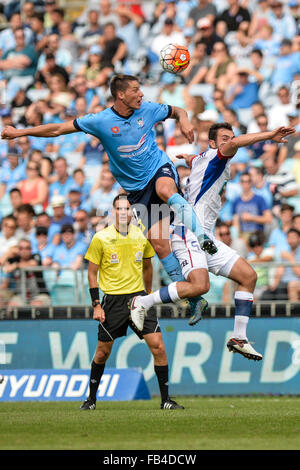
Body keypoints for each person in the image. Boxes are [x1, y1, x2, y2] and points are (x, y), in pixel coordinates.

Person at [1, 73, 217, 325]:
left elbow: (178, 109)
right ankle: (194, 299)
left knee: (166, 190)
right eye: (136, 90)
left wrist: (185, 120)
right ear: (121, 95)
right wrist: (20, 132)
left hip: (159, 167)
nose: (141, 94)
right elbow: (59, 128)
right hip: (137, 189)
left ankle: (203, 237)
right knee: (159, 246)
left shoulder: (147, 109)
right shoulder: (100, 120)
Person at [132, 122, 296, 361]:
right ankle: (142, 302)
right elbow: (234, 145)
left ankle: (239, 337)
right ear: (213, 143)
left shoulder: (202, 158)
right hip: (188, 232)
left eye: (230, 137)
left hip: (205, 235)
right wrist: (270, 135)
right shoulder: (217, 156)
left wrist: (189, 158)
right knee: (200, 286)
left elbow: (197, 161)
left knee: (249, 276)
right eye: (224, 138)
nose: (229, 141)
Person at [81, 194, 184, 411]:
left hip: (139, 299)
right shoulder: (101, 238)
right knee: (102, 353)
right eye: (119, 209)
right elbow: (92, 273)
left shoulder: (141, 236)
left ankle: (166, 400)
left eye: (127, 209)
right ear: (112, 212)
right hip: (112, 302)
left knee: (159, 347)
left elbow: (148, 266)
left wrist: (147, 295)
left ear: (132, 212)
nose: (123, 213)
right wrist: (96, 304)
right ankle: (91, 400)